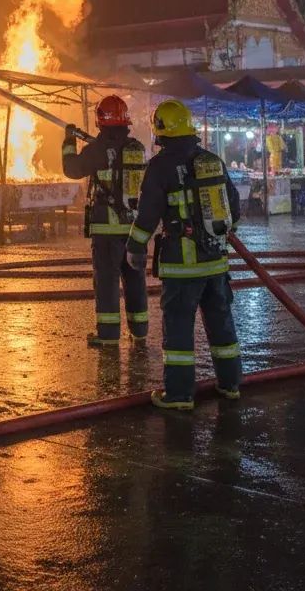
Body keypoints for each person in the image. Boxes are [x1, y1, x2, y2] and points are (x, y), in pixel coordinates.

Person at [125, 99, 242, 410]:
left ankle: (179, 395)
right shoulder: (212, 161)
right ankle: (230, 385)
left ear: (161, 132)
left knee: (178, 329)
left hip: (182, 268)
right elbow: (235, 207)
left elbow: (147, 215)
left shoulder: (160, 167)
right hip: (216, 263)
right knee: (221, 323)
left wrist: (135, 248)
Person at [62, 95, 148, 348]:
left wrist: (68, 141)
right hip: (134, 229)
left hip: (107, 229)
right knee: (135, 281)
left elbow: (71, 169)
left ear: (101, 121)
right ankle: (140, 332)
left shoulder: (97, 150)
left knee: (107, 281)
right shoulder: (136, 148)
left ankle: (109, 336)